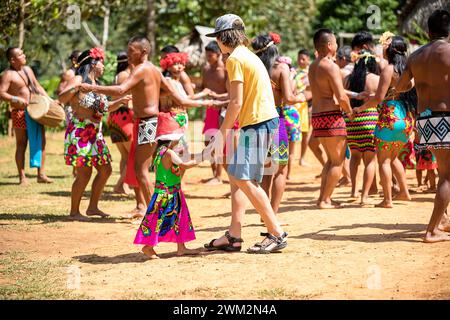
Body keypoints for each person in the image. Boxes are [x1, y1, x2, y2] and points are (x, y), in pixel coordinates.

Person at [79, 36, 206, 207]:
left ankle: (152, 211)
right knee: (141, 169)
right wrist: (209, 102)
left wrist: (92, 87)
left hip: (147, 123)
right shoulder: (153, 70)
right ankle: (150, 208)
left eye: (132, 51)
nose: (128, 54)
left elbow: (120, 89)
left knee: (141, 170)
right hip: (147, 122)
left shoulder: (141, 69)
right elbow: (171, 95)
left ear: (143, 52)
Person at [204, 14, 288, 253]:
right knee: (236, 177)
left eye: (217, 38)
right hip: (262, 121)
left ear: (222, 38)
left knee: (242, 178)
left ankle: (277, 233)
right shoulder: (248, 55)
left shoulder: (234, 60)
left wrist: (219, 136)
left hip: (258, 122)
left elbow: (236, 103)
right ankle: (234, 235)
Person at [396, 9, 450, 242]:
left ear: (428, 31)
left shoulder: (415, 56)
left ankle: (443, 219)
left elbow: (401, 86)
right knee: (448, 176)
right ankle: (431, 229)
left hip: (426, 120)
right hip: (447, 118)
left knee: (443, 172)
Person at [58, 47, 130, 221]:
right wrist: (74, 88)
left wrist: (120, 102)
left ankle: (92, 207)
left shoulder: (96, 84)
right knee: (84, 173)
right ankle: (74, 212)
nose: (104, 66)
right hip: (80, 132)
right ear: (92, 63)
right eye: (102, 62)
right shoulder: (78, 79)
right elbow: (62, 98)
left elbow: (104, 109)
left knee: (106, 170)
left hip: (95, 134)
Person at [354, 35, 414, 208]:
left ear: (389, 50)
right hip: (405, 117)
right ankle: (404, 192)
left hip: (390, 117)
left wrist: (359, 109)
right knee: (393, 157)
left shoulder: (389, 69)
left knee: (384, 161)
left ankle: (387, 200)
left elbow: (379, 99)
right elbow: (394, 93)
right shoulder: (408, 70)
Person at [134, 114, 204, 259]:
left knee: (179, 218)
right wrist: (202, 157)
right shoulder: (169, 153)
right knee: (160, 221)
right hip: (167, 194)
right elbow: (184, 165)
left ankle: (181, 247)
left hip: (170, 192)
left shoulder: (159, 152)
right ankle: (148, 247)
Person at [251, 33, 305, 215]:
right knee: (281, 169)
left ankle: (264, 213)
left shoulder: (254, 69)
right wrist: (301, 96)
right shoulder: (281, 68)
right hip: (277, 121)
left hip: (258, 122)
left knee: (266, 171)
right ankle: (273, 212)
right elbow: (289, 98)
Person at [308, 29, 354, 209]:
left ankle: (323, 198)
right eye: (335, 42)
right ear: (329, 45)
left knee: (330, 160)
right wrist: (350, 112)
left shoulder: (313, 66)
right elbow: (341, 97)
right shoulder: (331, 66)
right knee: (337, 161)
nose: (337, 46)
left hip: (318, 116)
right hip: (331, 117)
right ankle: (325, 200)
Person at [0, 47, 54, 185]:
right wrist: (16, 99)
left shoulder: (27, 70)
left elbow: (37, 86)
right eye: (20, 54)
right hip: (20, 113)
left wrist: (49, 100)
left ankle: (41, 175)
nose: (24, 55)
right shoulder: (8, 75)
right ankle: (22, 177)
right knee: (21, 144)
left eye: (23, 52)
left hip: (35, 111)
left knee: (41, 142)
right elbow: (1, 93)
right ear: (12, 60)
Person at [344, 50, 380, 204]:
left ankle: (354, 191)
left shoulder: (347, 79)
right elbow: (381, 99)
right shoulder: (375, 79)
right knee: (370, 161)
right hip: (370, 120)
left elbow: (342, 95)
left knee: (355, 157)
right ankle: (364, 196)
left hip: (351, 120)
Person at [201, 41, 228, 185]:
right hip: (210, 109)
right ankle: (214, 174)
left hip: (223, 109)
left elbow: (231, 92)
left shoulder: (225, 70)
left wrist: (220, 101)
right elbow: (203, 87)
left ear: (218, 54)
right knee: (208, 143)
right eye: (206, 55)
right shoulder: (205, 69)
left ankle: (219, 176)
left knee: (221, 144)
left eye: (210, 55)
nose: (208, 58)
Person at [295, 49, 317, 167]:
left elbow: (313, 90)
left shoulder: (312, 72)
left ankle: (302, 158)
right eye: (299, 59)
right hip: (295, 106)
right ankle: (291, 157)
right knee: (293, 133)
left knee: (305, 132)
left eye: (303, 59)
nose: (300, 61)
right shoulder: (296, 73)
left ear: (308, 59)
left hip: (308, 106)